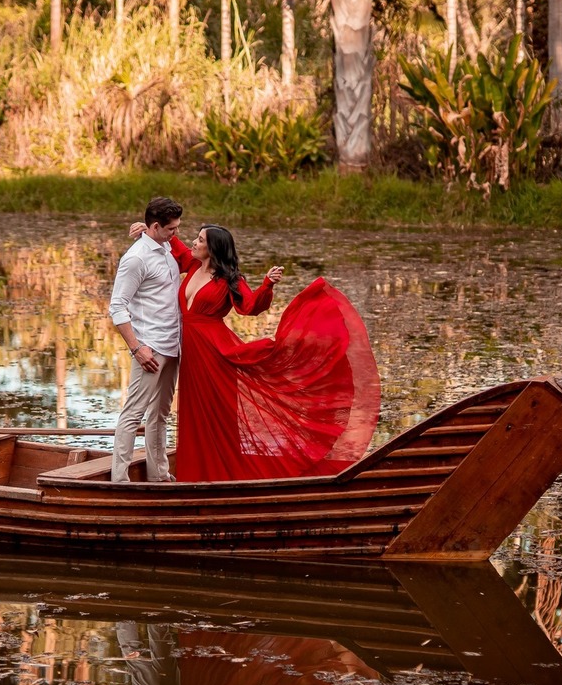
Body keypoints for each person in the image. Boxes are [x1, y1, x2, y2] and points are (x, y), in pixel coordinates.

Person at [132, 222, 379, 483]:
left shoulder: (230, 279)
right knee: (194, 417)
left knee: (218, 418)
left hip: (217, 355)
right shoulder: (192, 265)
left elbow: (249, 307)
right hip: (191, 353)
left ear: (214, 248)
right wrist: (146, 231)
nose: (194, 242)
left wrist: (267, 286)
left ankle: (221, 478)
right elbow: (168, 240)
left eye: (201, 239)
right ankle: (196, 477)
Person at [109, 197, 193, 482]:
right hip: (150, 349)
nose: (176, 233)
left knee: (159, 416)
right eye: (172, 228)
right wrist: (137, 348)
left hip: (173, 346)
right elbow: (117, 307)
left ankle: (159, 475)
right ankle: (119, 480)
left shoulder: (166, 247)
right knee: (133, 414)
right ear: (156, 226)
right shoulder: (135, 259)